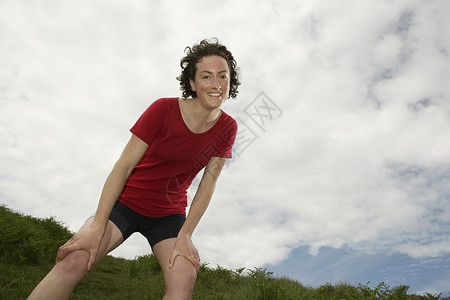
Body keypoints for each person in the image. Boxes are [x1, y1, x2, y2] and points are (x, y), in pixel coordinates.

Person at [28, 38, 240, 300]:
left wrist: (186, 235)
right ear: (193, 83)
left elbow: (208, 184)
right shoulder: (162, 109)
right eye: (206, 76)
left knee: (185, 275)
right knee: (75, 259)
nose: (216, 84)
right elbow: (123, 166)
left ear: (231, 82)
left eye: (223, 76)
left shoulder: (228, 128)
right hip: (125, 204)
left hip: (168, 215)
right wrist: (97, 226)